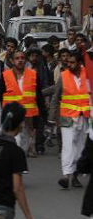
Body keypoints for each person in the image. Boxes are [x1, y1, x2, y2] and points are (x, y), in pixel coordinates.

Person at [0, 49, 46, 158]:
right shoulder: (5, 76)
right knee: (13, 140)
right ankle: (10, 162)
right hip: (11, 116)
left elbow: (39, 98)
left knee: (25, 143)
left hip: (29, 116)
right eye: (17, 58)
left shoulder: (33, 75)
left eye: (22, 58)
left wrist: (46, 118)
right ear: (12, 61)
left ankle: (18, 162)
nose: (20, 60)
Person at [48, 51, 90, 189]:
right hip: (67, 117)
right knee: (68, 146)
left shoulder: (88, 74)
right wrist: (51, 117)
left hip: (85, 117)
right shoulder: (63, 75)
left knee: (81, 147)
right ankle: (66, 175)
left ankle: (76, 175)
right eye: (68, 63)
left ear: (79, 63)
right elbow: (55, 96)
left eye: (72, 62)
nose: (69, 65)